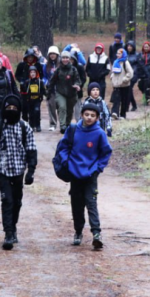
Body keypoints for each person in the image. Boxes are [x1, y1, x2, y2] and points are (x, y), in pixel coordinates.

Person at [0, 95, 38, 250]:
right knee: (7, 201)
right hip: (3, 170)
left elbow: (31, 149)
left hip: (19, 170)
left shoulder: (24, 127)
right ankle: (8, 234)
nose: (11, 111)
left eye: (14, 109)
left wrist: (31, 171)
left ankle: (13, 227)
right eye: (9, 108)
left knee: (17, 202)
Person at [55, 103, 112, 249]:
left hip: (90, 174)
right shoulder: (73, 129)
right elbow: (63, 146)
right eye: (87, 115)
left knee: (91, 202)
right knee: (77, 204)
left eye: (93, 116)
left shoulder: (99, 133)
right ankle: (78, 231)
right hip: (75, 173)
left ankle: (96, 234)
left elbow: (106, 152)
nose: (89, 118)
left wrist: (98, 168)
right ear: (81, 115)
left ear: (97, 118)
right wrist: (66, 162)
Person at [48, 51, 82, 134]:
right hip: (60, 92)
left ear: (69, 59)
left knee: (70, 110)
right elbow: (52, 81)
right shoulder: (58, 70)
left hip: (72, 93)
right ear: (61, 59)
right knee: (62, 107)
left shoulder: (74, 69)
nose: (65, 59)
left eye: (67, 58)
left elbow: (78, 80)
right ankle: (62, 125)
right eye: (63, 58)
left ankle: (67, 125)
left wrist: (77, 85)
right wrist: (48, 92)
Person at [20, 66, 46, 132]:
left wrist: (47, 95)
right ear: (29, 73)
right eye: (31, 72)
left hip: (37, 100)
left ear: (36, 73)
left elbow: (43, 90)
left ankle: (38, 125)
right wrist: (22, 86)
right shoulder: (27, 82)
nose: (32, 73)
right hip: (29, 100)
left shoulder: (40, 82)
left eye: (34, 72)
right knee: (31, 113)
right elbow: (24, 91)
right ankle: (31, 125)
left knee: (36, 111)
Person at [110, 48, 133, 120]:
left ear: (123, 54)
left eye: (119, 54)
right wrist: (112, 77)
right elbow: (113, 72)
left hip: (124, 85)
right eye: (117, 53)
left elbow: (130, 73)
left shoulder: (126, 62)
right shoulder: (115, 62)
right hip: (116, 85)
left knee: (124, 100)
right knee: (116, 99)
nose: (117, 55)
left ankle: (123, 114)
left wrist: (125, 79)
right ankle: (115, 113)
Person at [44, 46, 60, 131]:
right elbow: (44, 77)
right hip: (51, 90)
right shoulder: (46, 65)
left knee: (61, 107)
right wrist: (46, 82)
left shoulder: (61, 64)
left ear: (57, 54)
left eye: (54, 54)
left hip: (60, 89)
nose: (52, 55)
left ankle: (62, 124)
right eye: (51, 54)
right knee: (51, 107)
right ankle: (53, 124)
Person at [125, 41, 141, 111]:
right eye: (128, 46)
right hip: (126, 75)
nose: (129, 47)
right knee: (129, 90)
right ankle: (134, 105)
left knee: (129, 89)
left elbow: (141, 66)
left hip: (134, 75)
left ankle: (127, 106)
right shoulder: (125, 55)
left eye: (130, 46)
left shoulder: (137, 55)